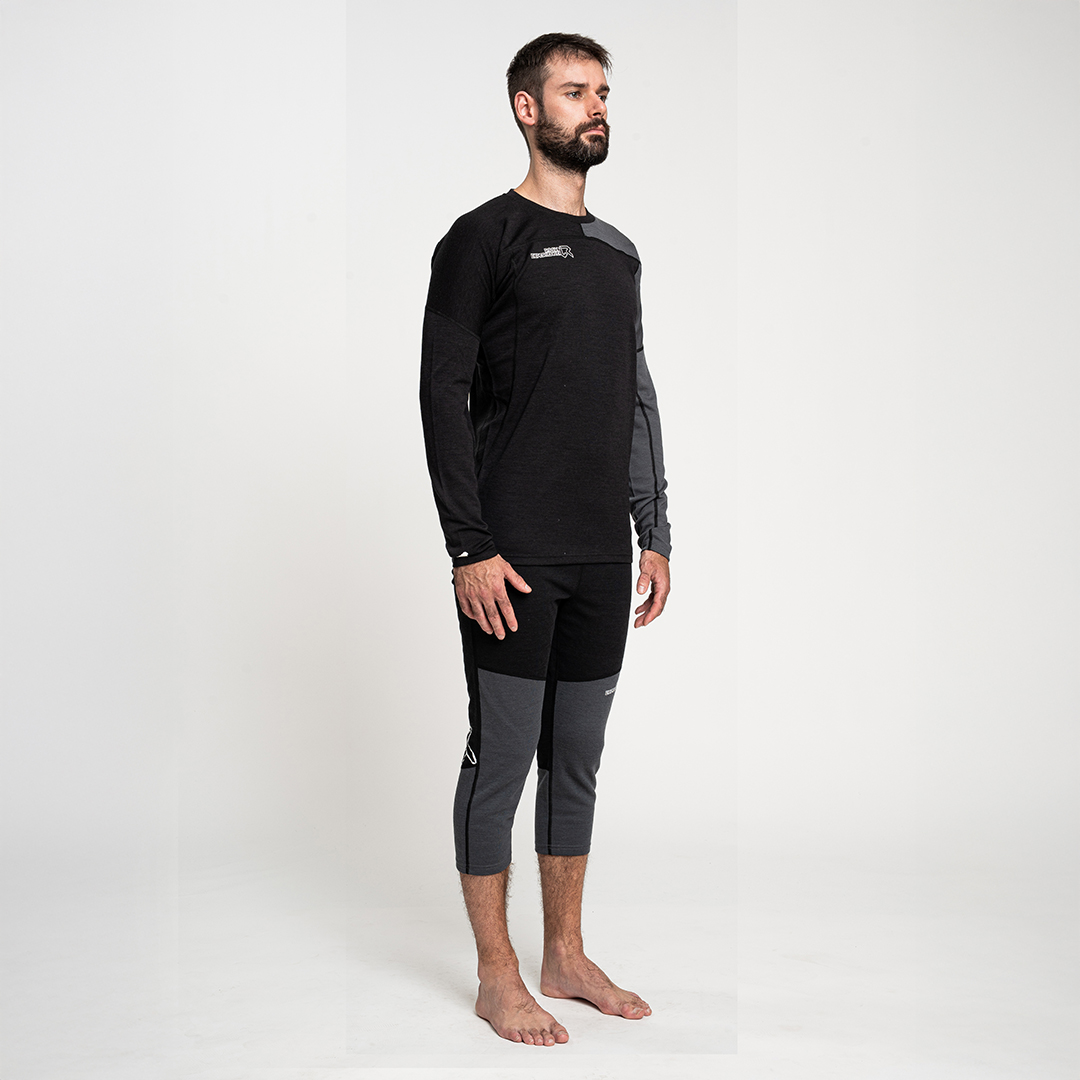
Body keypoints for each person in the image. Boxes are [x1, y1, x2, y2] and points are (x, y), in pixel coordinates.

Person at [419, 32, 672, 1047]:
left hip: (602, 554)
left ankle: (565, 953)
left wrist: (654, 528)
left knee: (577, 762)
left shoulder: (619, 252)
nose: (595, 106)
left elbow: (635, 396)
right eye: (574, 91)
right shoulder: (481, 238)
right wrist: (468, 545)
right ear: (528, 109)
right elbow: (441, 393)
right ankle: (498, 974)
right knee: (502, 760)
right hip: (512, 554)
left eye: (602, 91)